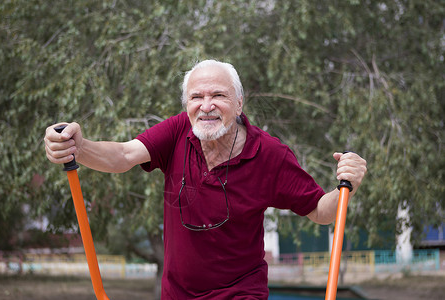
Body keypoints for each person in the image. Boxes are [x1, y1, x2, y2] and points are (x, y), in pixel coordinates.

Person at [44, 59, 367, 299]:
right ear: (187, 105)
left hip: (240, 293)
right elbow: (124, 156)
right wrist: (79, 147)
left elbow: (320, 212)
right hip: (177, 293)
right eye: (196, 97)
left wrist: (346, 186)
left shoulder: (270, 154)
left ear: (239, 103)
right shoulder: (177, 131)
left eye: (219, 96)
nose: (206, 106)